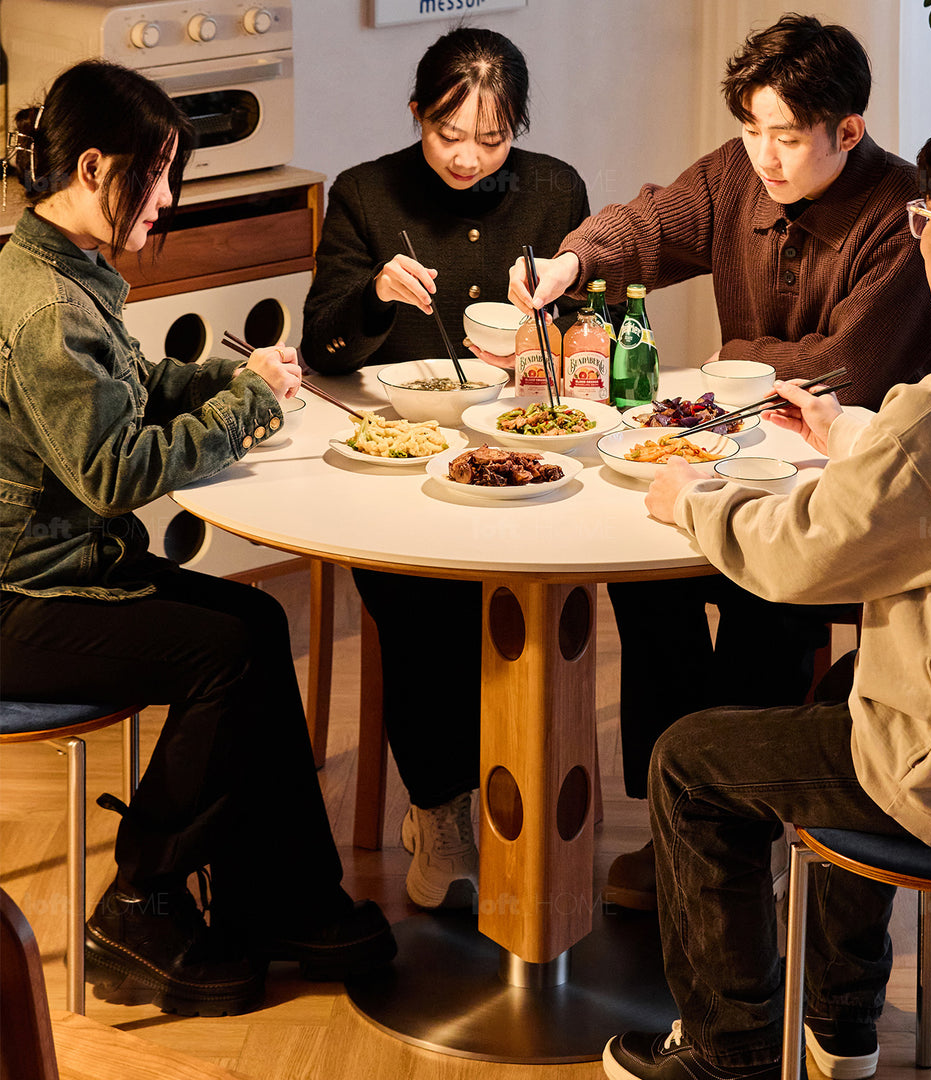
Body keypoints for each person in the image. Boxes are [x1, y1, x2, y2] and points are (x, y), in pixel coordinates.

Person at [600, 110, 931, 1080]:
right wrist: (857, 436)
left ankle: (728, 1047)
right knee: (851, 688)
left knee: (688, 762)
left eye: (926, 221)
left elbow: (796, 560)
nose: (919, 237)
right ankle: (841, 1022)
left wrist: (695, 500)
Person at [508, 14, 931, 911]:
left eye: (785, 136)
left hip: (847, 491)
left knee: (768, 598)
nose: (764, 156)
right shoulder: (733, 174)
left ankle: (742, 841)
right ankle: (683, 822)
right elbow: (648, 224)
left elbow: (847, 369)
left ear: (848, 130)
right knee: (645, 575)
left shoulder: (902, 214)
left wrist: (734, 355)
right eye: (751, 129)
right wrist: (570, 263)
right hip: (731, 457)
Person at [0, 60, 395, 1018]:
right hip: (24, 599)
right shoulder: (50, 311)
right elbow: (115, 473)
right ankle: (140, 902)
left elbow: (130, 385)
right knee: (224, 652)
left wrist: (229, 384)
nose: (168, 200)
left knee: (255, 625)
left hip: (67, 572)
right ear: (93, 168)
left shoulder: (57, 262)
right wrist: (248, 407)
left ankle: (283, 898)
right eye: (157, 173)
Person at [301, 26, 591, 909]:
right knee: (415, 585)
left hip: (522, 447)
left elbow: (581, 325)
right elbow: (323, 344)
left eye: (492, 140)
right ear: (416, 114)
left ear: (518, 130)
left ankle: (542, 792)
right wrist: (375, 295)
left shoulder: (554, 190)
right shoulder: (363, 192)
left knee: (560, 580)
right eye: (447, 135)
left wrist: (558, 342)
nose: (467, 158)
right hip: (399, 450)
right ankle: (441, 804)